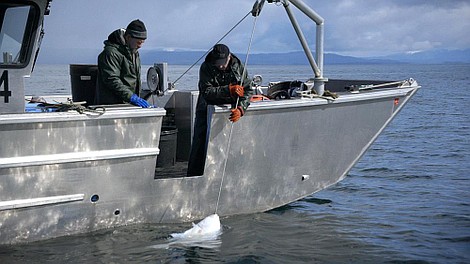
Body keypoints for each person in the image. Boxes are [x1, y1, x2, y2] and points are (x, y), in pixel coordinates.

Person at [187, 44, 253, 176]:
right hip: (205, 108)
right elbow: (206, 91)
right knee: (200, 144)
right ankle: (194, 175)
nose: (221, 66)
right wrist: (228, 89)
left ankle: (223, 174)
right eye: (218, 63)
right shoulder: (206, 67)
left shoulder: (239, 67)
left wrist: (241, 109)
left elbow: (248, 90)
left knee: (226, 145)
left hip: (228, 110)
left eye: (223, 63)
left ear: (229, 57)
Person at [95, 19, 151, 107]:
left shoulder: (134, 52)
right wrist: (131, 97)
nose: (140, 46)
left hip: (127, 103)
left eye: (143, 42)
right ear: (128, 37)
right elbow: (112, 80)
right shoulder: (111, 53)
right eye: (138, 42)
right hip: (112, 105)